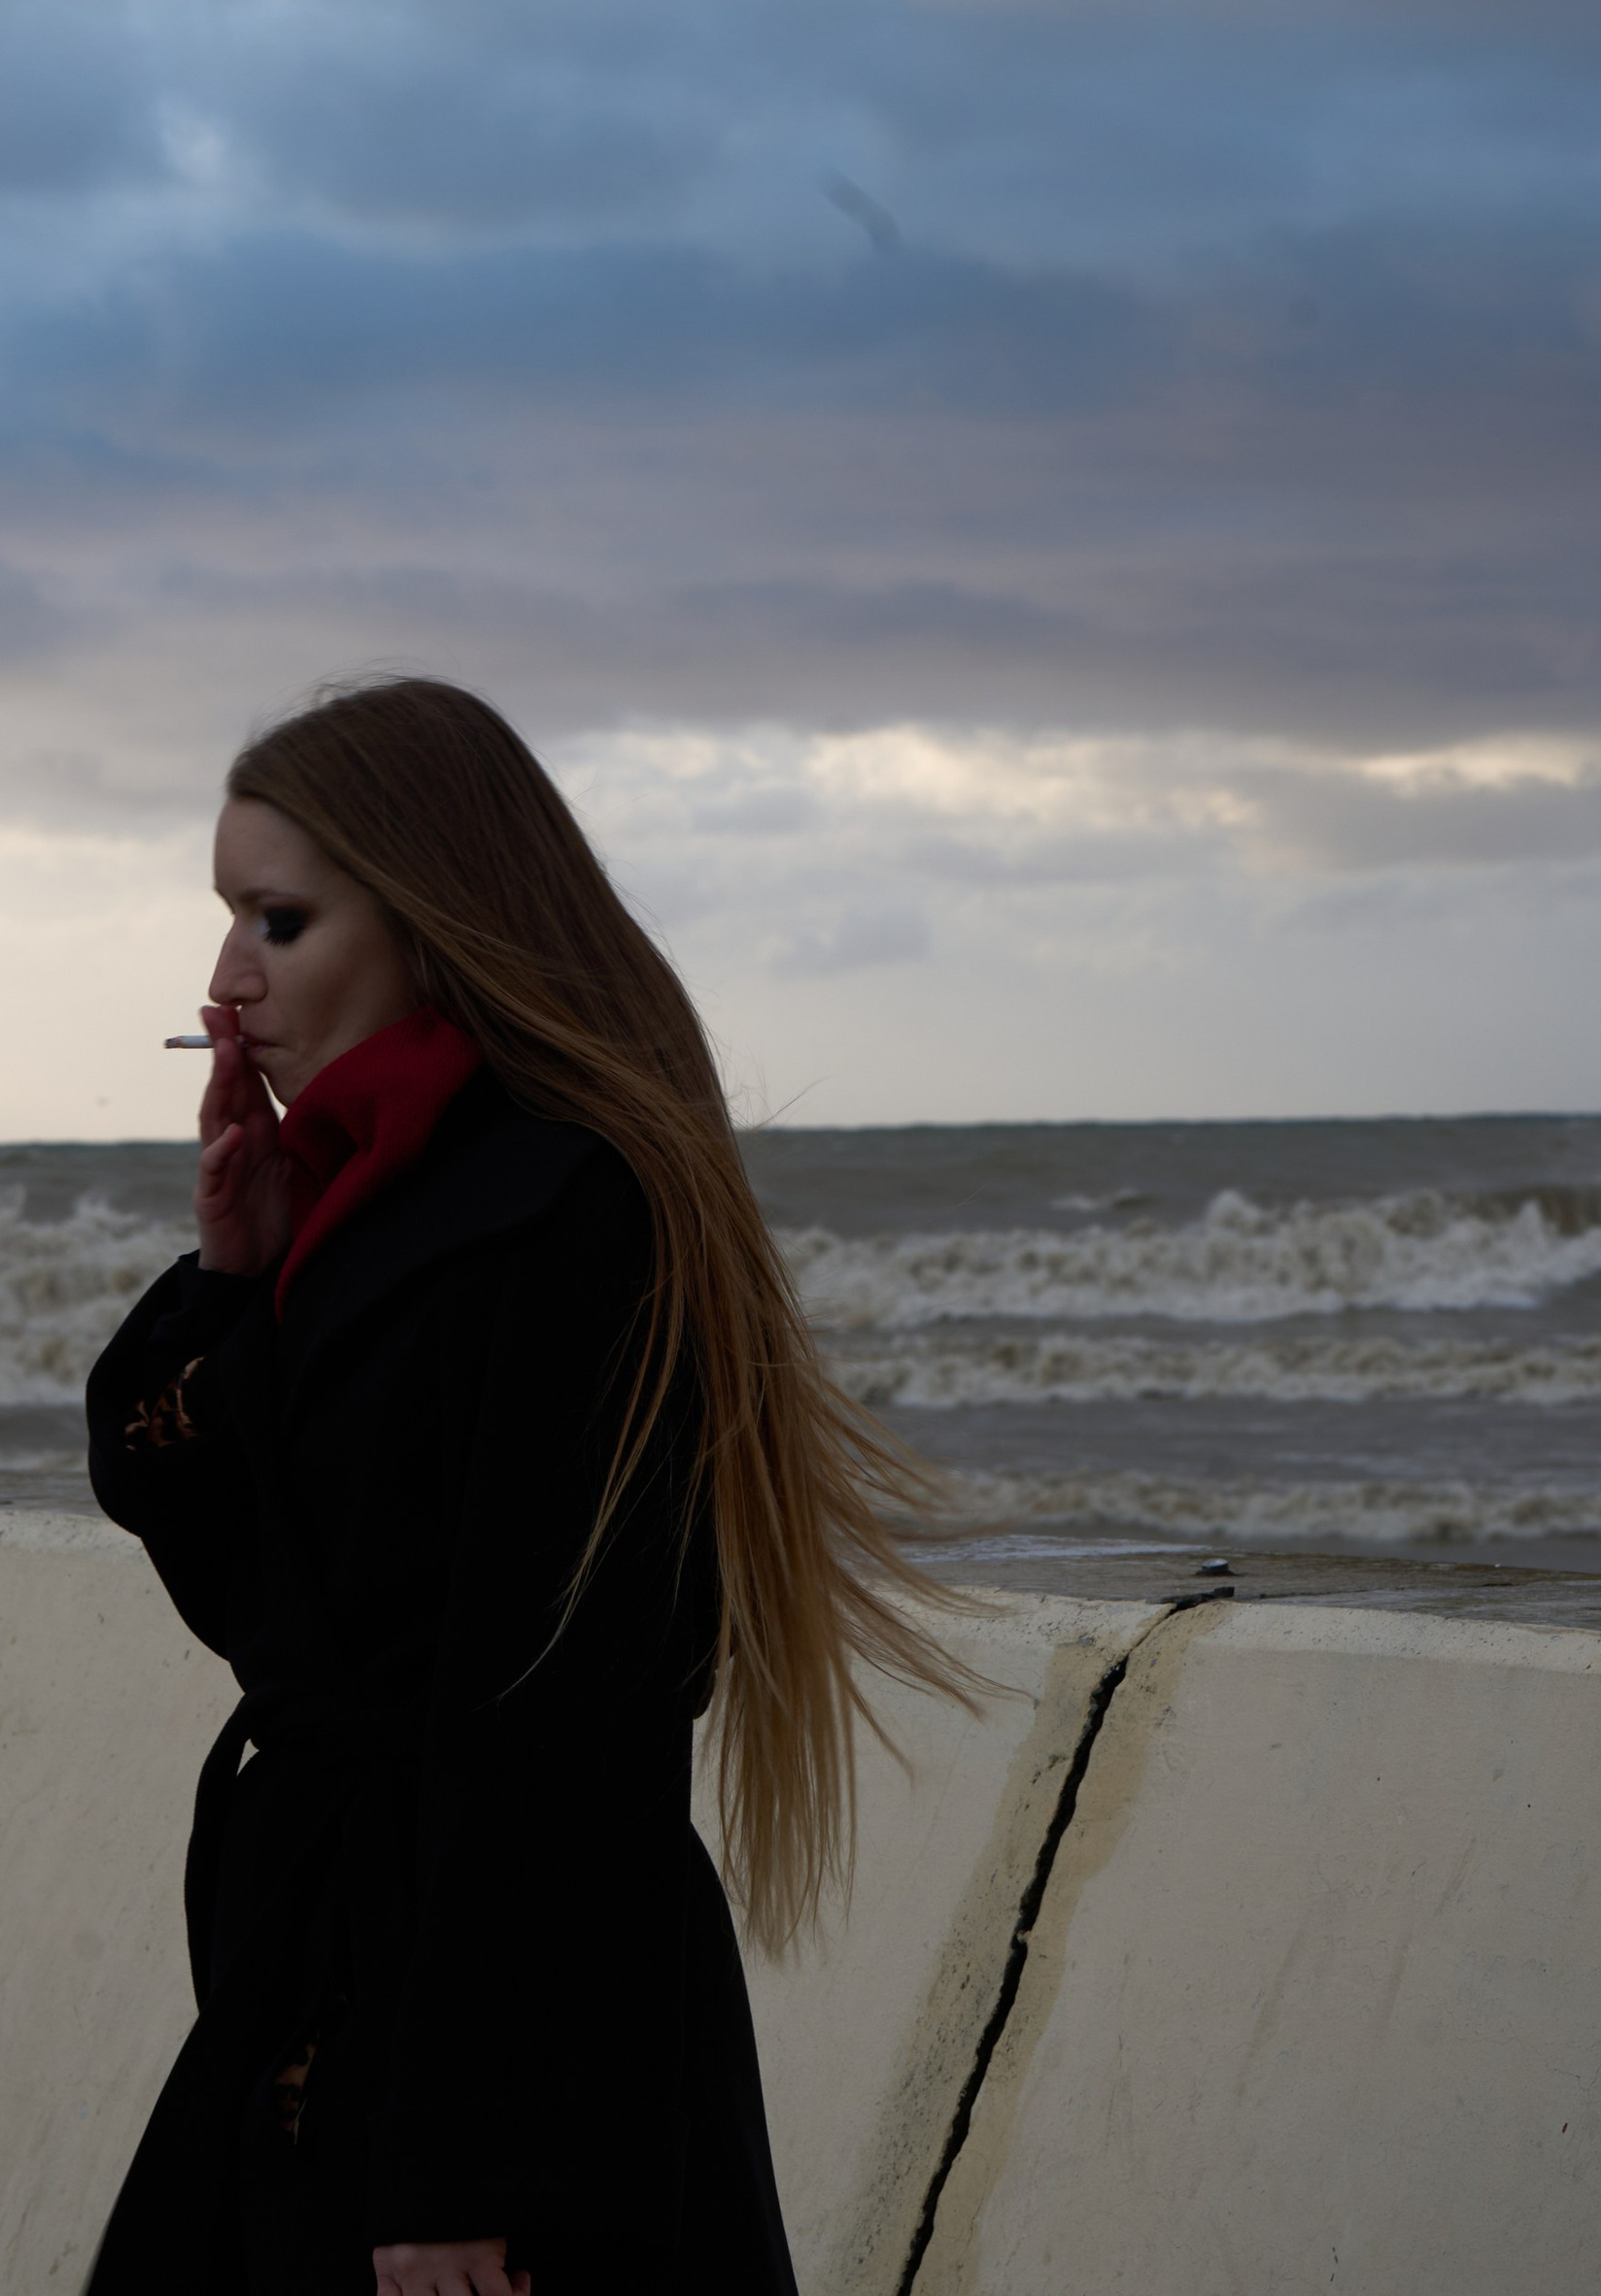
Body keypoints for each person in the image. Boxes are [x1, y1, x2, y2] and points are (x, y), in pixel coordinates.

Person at [84, 678, 971, 2296]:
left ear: (431, 916)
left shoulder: (575, 1209)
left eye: (277, 921)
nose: (225, 982)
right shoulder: (354, 1199)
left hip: (518, 2043)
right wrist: (233, 1279)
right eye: (227, 921)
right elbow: (240, 1583)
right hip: (327, 1966)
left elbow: (560, 1723)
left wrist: (458, 2166)